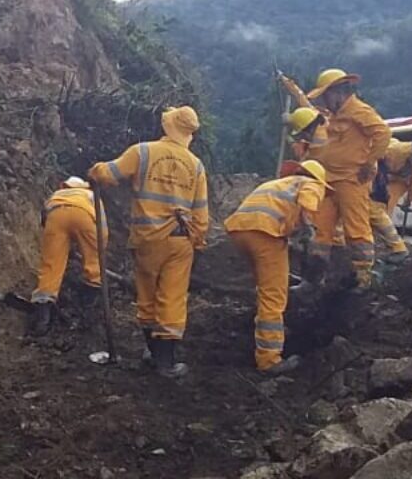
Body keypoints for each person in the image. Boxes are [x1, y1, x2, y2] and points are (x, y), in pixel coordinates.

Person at [89, 106, 209, 378]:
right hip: (180, 241)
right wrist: (198, 242)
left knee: (147, 295)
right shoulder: (196, 165)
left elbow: (108, 174)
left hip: (147, 240)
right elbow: (201, 211)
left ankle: (151, 351)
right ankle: (165, 362)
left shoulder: (143, 151)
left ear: (167, 127)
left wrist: (95, 171)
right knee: (172, 297)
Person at [225, 160, 331, 375]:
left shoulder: (279, 185)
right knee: (274, 296)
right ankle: (269, 359)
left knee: (266, 287)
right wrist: (310, 234)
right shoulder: (311, 184)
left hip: (240, 231)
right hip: (266, 233)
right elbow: (308, 203)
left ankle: (271, 330)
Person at [296, 69, 391, 288]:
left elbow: (383, 133)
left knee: (356, 229)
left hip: (351, 180)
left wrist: (369, 162)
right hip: (329, 181)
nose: (324, 101)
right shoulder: (335, 115)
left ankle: (363, 278)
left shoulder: (359, 110)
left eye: (326, 96)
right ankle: (315, 278)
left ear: (338, 92)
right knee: (321, 231)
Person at [28, 177, 108, 336]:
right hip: (84, 215)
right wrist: (99, 248)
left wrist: (61, 247)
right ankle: (88, 304)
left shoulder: (57, 195)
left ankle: (43, 314)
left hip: (56, 216)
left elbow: (44, 221)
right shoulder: (91, 195)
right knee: (93, 261)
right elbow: (101, 226)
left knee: (50, 265)